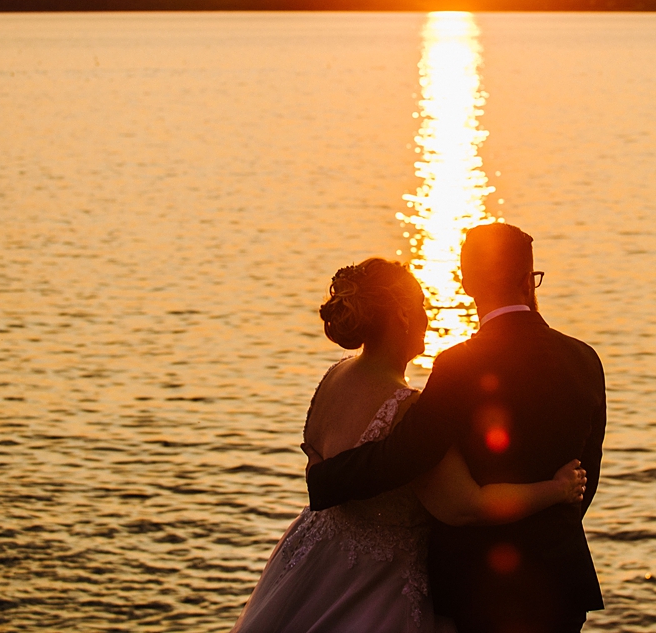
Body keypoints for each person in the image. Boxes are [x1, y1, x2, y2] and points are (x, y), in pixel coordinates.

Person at [231, 257, 587, 633]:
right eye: (421, 305)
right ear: (401, 314)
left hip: (314, 564)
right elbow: (465, 507)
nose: (428, 316)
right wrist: (557, 488)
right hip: (377, 588)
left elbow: (315, 457)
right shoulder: (407, 409)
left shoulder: (334, 376)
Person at [307, 224, 607, 633]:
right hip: (560, 585)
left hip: (476, 589)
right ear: (528, 280)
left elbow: (406, 454)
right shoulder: (585, 360)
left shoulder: (458, 366)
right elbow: (585, 476)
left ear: (465, 282)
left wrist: (325, 479)